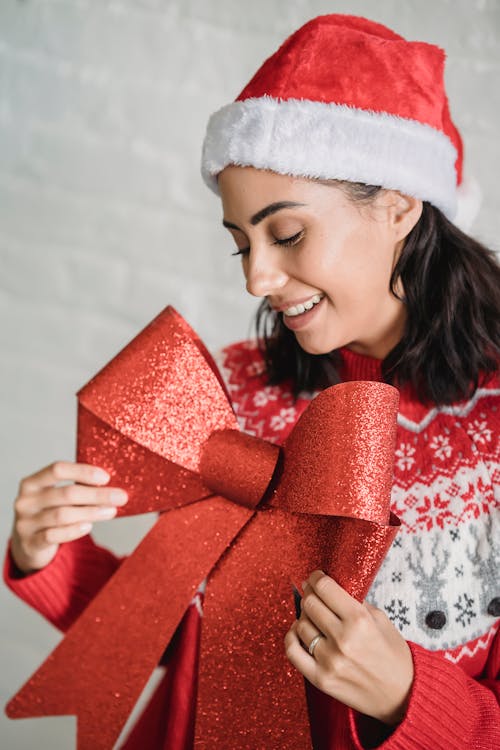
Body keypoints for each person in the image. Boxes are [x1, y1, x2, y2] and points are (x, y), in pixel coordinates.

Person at [4, 13, 500, 750]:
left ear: (399, 203)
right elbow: (182, 638)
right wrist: (45, 556)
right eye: (241, 244)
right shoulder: (232, 391)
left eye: (287, 233)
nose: (256, 278)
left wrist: (408, 696)